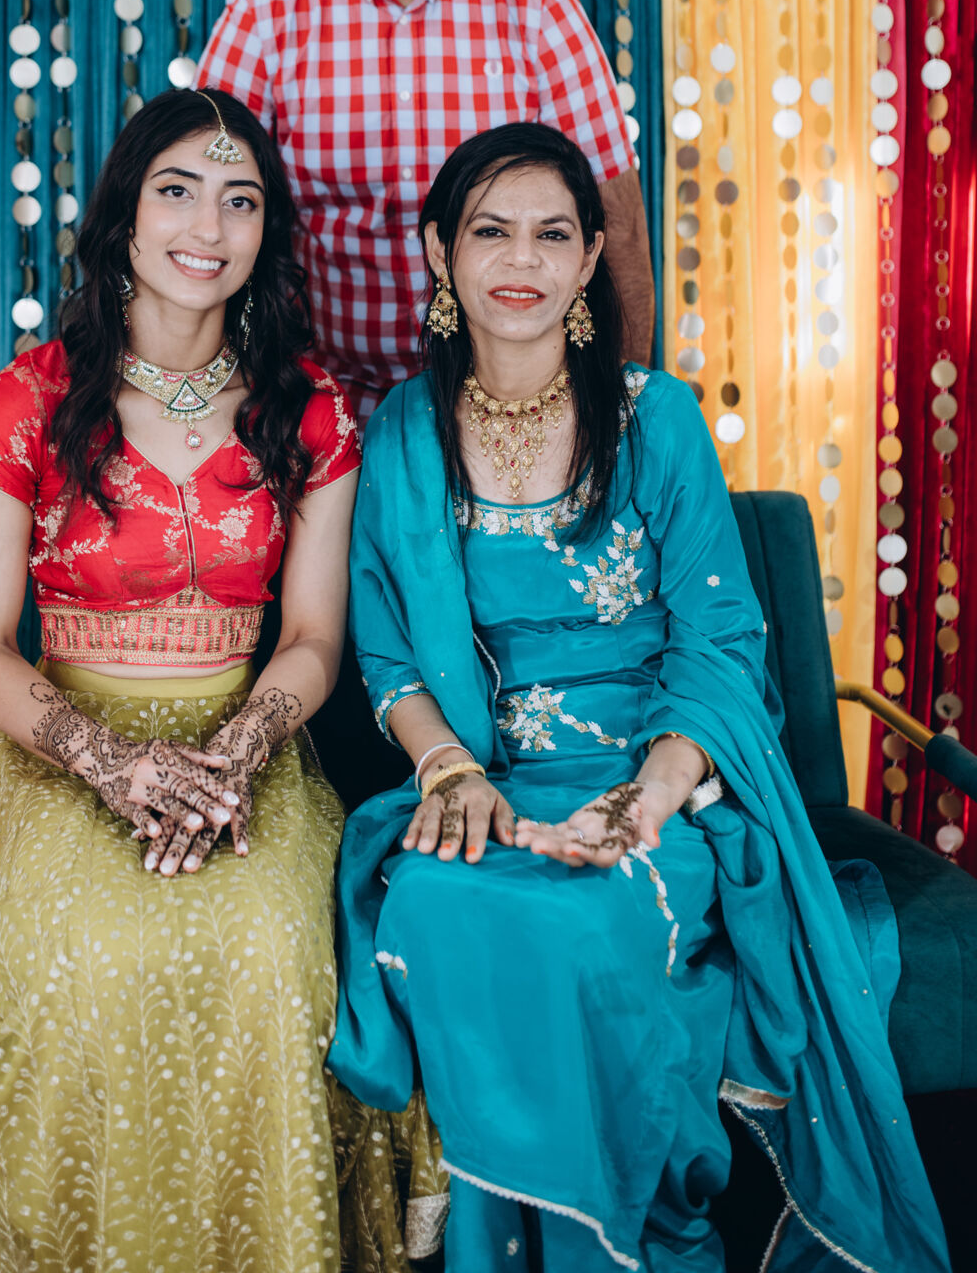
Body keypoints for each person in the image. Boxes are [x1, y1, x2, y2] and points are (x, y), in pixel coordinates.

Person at [327, 122, 950, 1273]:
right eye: (490, 232)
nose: (520, 259)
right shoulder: (403, 432)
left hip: (653, 783)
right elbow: (389, 658)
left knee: (582, 926)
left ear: (586, 259)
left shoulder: (652, 416)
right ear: (436, 251)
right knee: (438, 905)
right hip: (481, 781)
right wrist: (449, 771)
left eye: (551, 234)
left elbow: (717, 639)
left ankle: (610, 1248)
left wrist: (647, 799)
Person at [0, 89, 438, 1273]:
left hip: (244, 748)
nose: (208, 225)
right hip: (59, 750)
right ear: (125, 218)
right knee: (94, 956)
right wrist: (111, 763)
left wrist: (231, 757)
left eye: (240, 200)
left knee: (273, 954)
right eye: (178, 191)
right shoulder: (24, 405)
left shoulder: (309, 410)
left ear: (265, 232)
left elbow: (311, 639)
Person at [198, 0, 653, 427]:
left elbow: (615, 229)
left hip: (514, 418)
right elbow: (204, 221)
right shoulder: (263, 16)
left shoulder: (536, 3)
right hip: (319, 419)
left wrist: (616, 426)